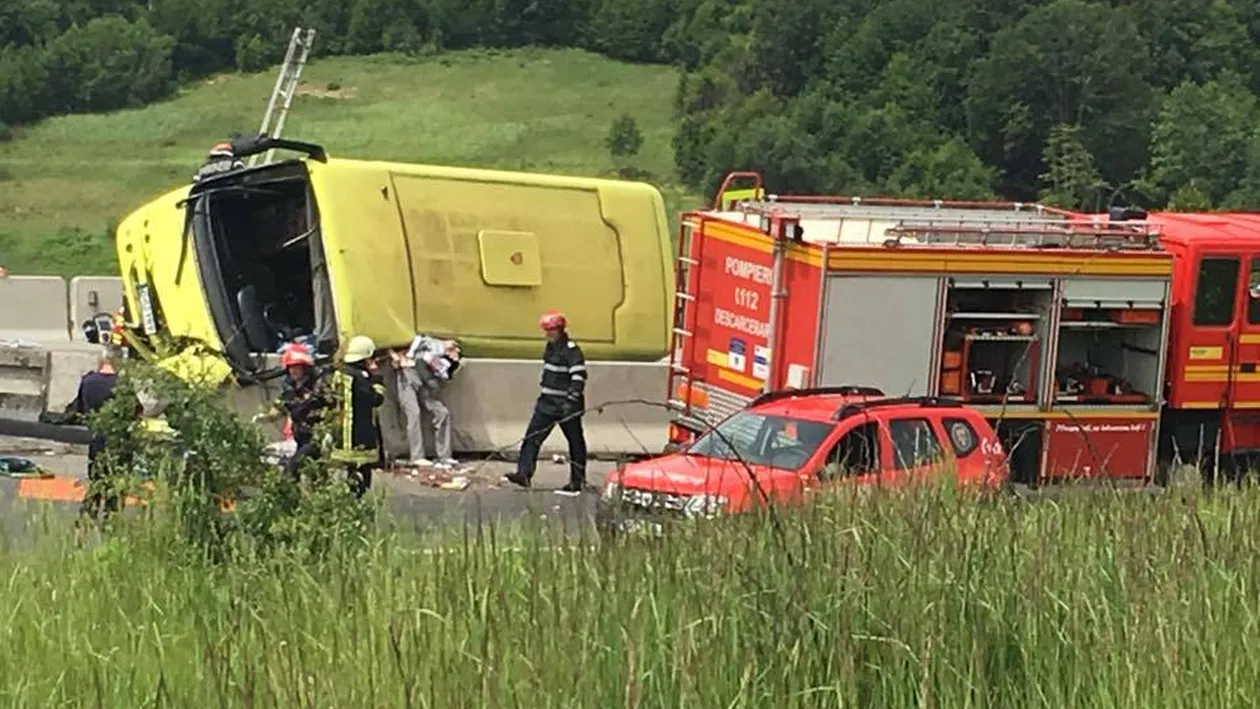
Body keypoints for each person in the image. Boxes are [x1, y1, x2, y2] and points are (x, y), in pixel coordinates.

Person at [503, 310, 589, 496]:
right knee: (532, 438)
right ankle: (524, 474)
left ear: (560, 330)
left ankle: (577, 481)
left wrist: (571, 400)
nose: (548, 334)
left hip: (567, 405)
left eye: (551, 330)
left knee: (575, 442)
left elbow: (578, 376)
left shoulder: (571, 350)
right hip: (547, 404)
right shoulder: (550, 348)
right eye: (546, 330)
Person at [253, 342, 330, 480]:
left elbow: (330, 407)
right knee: (316, 475)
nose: (292, 371)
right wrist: (264, 417)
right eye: (290, 368)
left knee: (292, 469)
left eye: (296, 367)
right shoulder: (291, 389)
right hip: (300, 437)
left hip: (317, 437)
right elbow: (280, 408)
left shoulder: (319, 388)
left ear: (305, 368)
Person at [389, 334, 462, 470]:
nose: (455, 351)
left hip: (424, 382)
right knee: (414, 413)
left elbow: (442, 375)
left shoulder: (445, 361)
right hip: (408, 376)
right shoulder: (431, 345)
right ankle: (417, 456)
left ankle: (445, 456)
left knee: (442, 413)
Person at [330, 335, 387, 497]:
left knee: (350, 469)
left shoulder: (339, 373)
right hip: (359, 431)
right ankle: (358, 497)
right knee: (363, 469)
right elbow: (376, 400)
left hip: (341, 431)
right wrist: (377, 380)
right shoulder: (360, 378)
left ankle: (352, 494)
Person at [72, 351, 123, 521]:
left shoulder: (87, 381)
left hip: (96, 440)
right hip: (118, 441)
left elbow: (79, 410)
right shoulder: (122, 384)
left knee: (95, 483)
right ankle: (111, 524)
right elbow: (135, 411)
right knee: (115, 487)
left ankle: (84, 525)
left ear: (100, 362)